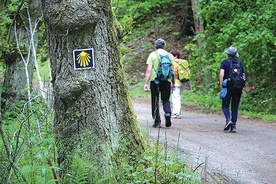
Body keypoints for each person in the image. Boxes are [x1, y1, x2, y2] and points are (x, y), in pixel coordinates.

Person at [144, 38, 175, 128]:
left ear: (155, 46)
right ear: (164, 46)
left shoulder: (152, 55)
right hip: (167, 81)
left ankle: (157, 121)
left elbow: (149, 70)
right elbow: (172, 71)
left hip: (155, 80)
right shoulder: (170, 56)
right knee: (166, 99)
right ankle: (168, 114)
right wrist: (173, 83)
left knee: (155, 100)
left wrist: (146, 83)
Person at [219, 46, 245, 133]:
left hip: (228, 86)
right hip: (238, 87)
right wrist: (242, 86)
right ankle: (233, 126)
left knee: (225, 105)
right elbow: (243, 76)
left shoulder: (225, 63)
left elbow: (222, 74)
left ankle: (228, 119)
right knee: (235, 107)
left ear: (227, 54)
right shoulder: (239, 63)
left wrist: (221, 85)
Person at [170, 49, 189, 119]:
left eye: (172, 55)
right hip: (183, 81)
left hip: (176, 82)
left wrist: (173, 83)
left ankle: (176, 113)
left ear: (175, 56)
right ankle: (178, 112)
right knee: (179, 97)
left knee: (175, 98)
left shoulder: (174, 63)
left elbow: (173, 74)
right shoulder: (183, 62)